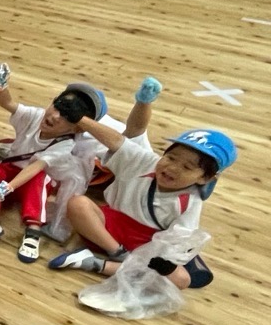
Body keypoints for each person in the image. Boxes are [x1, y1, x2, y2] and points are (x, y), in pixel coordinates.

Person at [48, 82, 236, 290]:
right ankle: (117, 256)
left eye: (187, 167)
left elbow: (179, 239)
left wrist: (164, 262)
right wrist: (82, 119)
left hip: (148, 242)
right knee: (78, 204)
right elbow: (120, 140)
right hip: (108, 229)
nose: (173, 168)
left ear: (204, 178)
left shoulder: (191, 201)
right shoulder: (146, 161)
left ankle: (94, 264)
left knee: (181, 280)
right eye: (171, 158)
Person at [0, 75, 106, 263]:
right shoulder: (35, 116)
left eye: (67, 117)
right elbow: (8, 103)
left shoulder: (65, 145)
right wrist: (1, 88)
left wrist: (7, 188)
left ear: (77, 129)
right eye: (58, 106)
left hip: (32, 177)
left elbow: (37, 166)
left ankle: (32, 232)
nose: (55, 116)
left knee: (39, 179)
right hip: (11, 171)